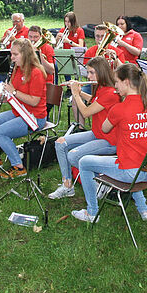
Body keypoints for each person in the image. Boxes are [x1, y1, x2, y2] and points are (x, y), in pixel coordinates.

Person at [72, 63, 147, 222]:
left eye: (117, 82)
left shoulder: (120, 109)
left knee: (84, 162)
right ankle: (143, 209)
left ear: (127, 83)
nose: (115, 86)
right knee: (132, 159)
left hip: (131, 172)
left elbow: (105, 129)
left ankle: (92, 212)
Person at [48, 57, 120, 199]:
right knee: (60, 143)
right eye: (88, 72)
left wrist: (75, 94)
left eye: (92, 72)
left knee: (73, 156)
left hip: (110, 141)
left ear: (102, 72)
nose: (88, 76)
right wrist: (80, 92)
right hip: (97, 133)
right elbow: (93, 101)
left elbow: (86, 112)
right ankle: (67, 185)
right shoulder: (101, 87)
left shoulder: (110, 93)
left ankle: (101, 181)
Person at [0, 38, 48, 178]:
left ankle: (19, 167)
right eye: (11, 54)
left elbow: (34, 101)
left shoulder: (36, 73)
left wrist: (14, 92)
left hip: (34, 117)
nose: (11, 57)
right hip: (19, 112)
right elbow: (14, 94)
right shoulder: (17, 70)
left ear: (25, 54)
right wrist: (4, 97)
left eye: (15, 54)